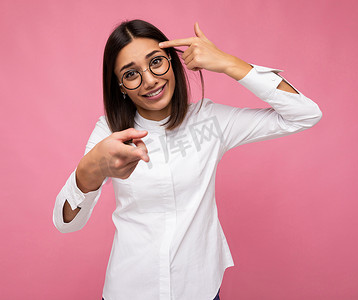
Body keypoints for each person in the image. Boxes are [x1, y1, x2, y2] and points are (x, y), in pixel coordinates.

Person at [53, 19, 322, 300]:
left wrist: (229, 63)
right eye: (131, 74)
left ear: (173, 60)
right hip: (130, 289)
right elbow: (67, 222)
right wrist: (90, 170)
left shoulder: (210, 120)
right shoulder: (109, 132)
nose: (150, 80)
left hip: (200, 288)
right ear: (120, 85)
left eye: (156, 62)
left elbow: (305, 114)